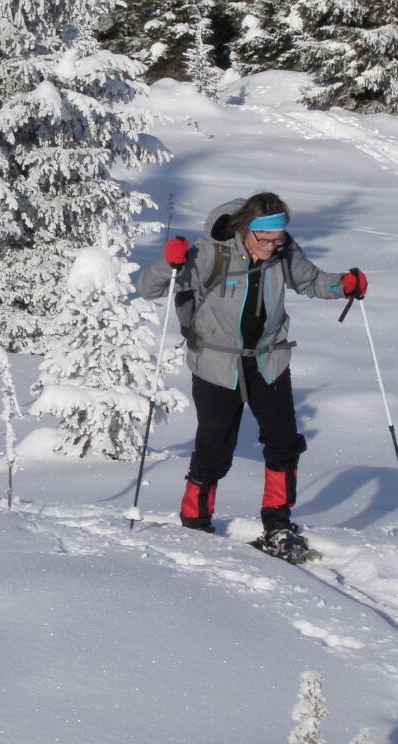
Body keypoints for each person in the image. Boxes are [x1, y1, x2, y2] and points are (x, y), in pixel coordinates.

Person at [137, 192, 366, 557]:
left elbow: (311, 281)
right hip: (217, 363)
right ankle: (195, 523)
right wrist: (170, 262)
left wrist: (344, 285)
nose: (273, 247)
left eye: (278, 239)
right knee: (214, 447)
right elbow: (148, 288)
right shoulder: (211, 252)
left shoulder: (283, 250)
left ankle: (278, 524)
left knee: (283, 443)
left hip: (268, 360)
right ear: (246, 230)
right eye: (265, 239)